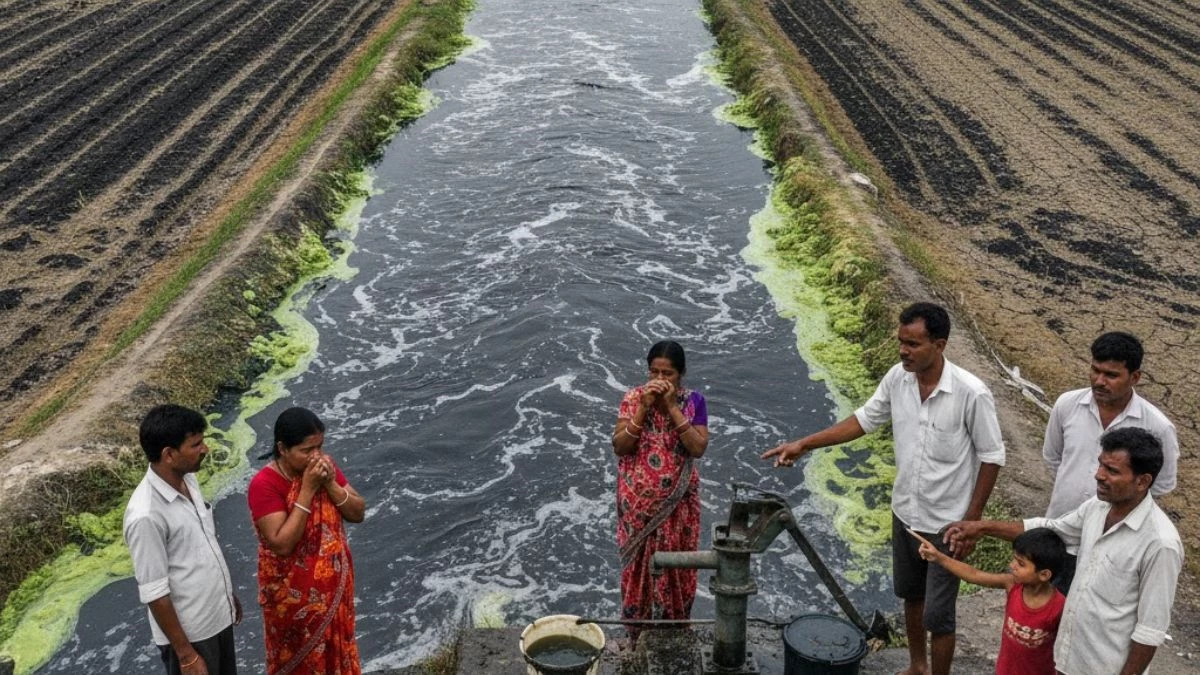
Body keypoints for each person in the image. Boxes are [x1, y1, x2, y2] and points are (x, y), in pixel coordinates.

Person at [762, 302, 1005, 675]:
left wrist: (972, 521)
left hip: (949, 524)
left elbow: (992, 457)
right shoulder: (897, 378)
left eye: (913, 344)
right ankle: (916, 666)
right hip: (906, 511)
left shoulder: (972, 394)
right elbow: (863, 420)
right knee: (911, 596)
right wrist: (804, 443)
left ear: (939, 345)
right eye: (901, 342)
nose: (904, 351)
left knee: (940, 616)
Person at [946, 427, 1183, 675]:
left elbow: (1150, 629)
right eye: (1101, 465)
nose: (1098, 475)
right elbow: (1053, 529)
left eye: (1112, 471)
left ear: (1142, 481)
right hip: (1068, 659)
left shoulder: (1160, 544)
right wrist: (983, 527)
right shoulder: (1097, 507)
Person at [1042, 331, 1178, 592]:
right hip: (1059, 538)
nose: (1099, 381)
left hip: (1111, 548)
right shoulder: (1067, 405)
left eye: (1111, 375)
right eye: (1095, 370)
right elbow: (1053, 458)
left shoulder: (1158, 428)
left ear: (1134, 377)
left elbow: (1159, 485)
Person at [124, 404, 242, 675]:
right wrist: (186, 655)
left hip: (217, 619)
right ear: (169, 454)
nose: (205, 449)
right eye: (196, 444)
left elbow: (199, 549)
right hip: (193, 637)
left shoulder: (188, 480)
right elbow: (155, 593)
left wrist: (226, 594)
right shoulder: (145, 515)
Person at [248, 407, 366, 674]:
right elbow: (281, 543)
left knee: (337, 657)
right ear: (282, 448)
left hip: (334, 592)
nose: (316, 457)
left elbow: (357, 512)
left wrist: (330, 484)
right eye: (306, 451)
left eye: (320, 447)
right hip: (291, 603)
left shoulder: (324, 468)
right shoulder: (264, 484)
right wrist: (308, 489)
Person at [612, 340, 710, 637]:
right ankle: (636, 634)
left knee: (676, 569)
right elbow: (621, 446)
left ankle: (673, 632)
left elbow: (698, 448)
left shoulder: (694, 403)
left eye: (667, 374)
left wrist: (670, 408)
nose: (659, 380)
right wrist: (644, 408)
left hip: (677, 506)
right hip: (637, 508)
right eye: (654, 372)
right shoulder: (633, 399)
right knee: (638, 573)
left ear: (680, 375)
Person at [911, 528, 1066, 675]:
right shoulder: (1013, 585)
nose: (1012, 566)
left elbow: (1067, 650)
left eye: (1021, 563)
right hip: (1004, 670)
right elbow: (975, 574)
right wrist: (939, 557)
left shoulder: (1060, 607)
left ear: (1044, 575)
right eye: (1014, 559)